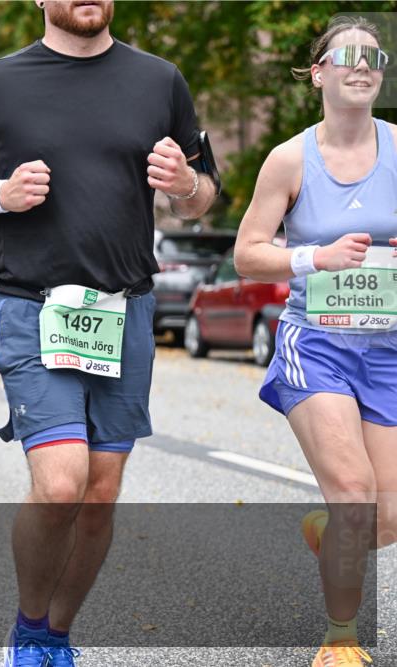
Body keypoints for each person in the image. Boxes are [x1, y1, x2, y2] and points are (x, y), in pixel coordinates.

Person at [0, 1, 217, 664]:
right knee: (61, 485)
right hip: (33, 305)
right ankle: (28, 632)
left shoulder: (160, 80)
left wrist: (185, 184)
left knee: (100, 494)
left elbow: (204, 195)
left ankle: (56, 635)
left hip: (124, 310)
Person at [234, 16, 396, 667]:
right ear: (319, 73)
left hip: (388, 349)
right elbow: (248, 254)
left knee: (385, 518)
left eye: (374, 57)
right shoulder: (289, 159)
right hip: (318, 345)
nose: (361, 66)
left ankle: (332, 531)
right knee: (354, 491)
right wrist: (314, 258)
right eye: (347, 55)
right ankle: (341, 639)